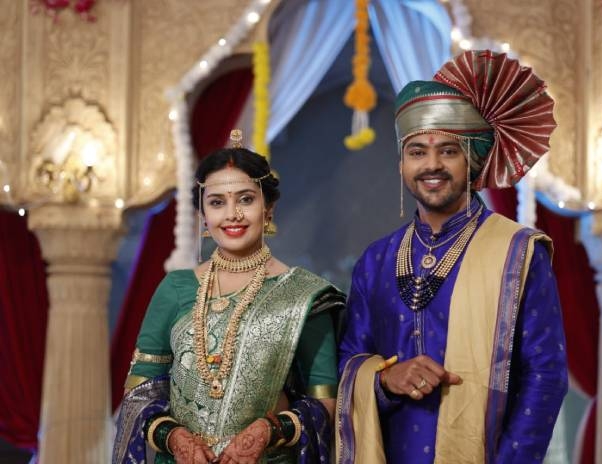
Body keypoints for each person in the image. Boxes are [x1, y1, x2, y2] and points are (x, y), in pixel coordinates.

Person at [336, 50, 568, 463]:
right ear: (401, 164)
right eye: (417, 152)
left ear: (472, 160)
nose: (432, 165)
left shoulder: (517, 252)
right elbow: (348, 360)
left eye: (448, 151)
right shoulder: (376, 260)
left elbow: (545, 375)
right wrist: (385, 378)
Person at [113, 131, 344, 464]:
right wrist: (175, 438)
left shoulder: (306, 296)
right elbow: (139, 396)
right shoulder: (175, 289)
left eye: (246, 199)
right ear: (203, 215)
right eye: (217, 202)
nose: (232, 214)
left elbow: (325, 404)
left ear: (268, 207)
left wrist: (268, 431)